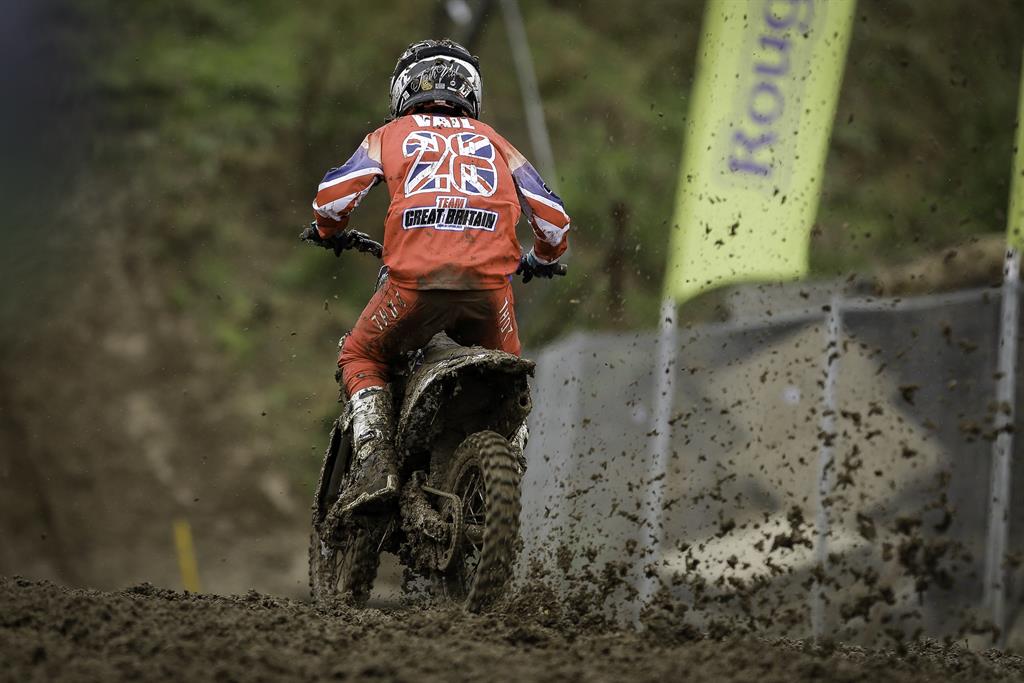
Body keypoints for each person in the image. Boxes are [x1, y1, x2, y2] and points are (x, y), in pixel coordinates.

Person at [301, 39, 570, 515]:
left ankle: (374, 462)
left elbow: (332, 199)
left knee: (360, 353)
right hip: (490, 295)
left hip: (413, 287)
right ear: (472, 92)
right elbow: (554, 222)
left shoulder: (391, 134)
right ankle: (506, 473)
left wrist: (329, 231)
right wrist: (543, 259)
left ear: (403, 89)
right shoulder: (496, 142)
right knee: (509, 376)